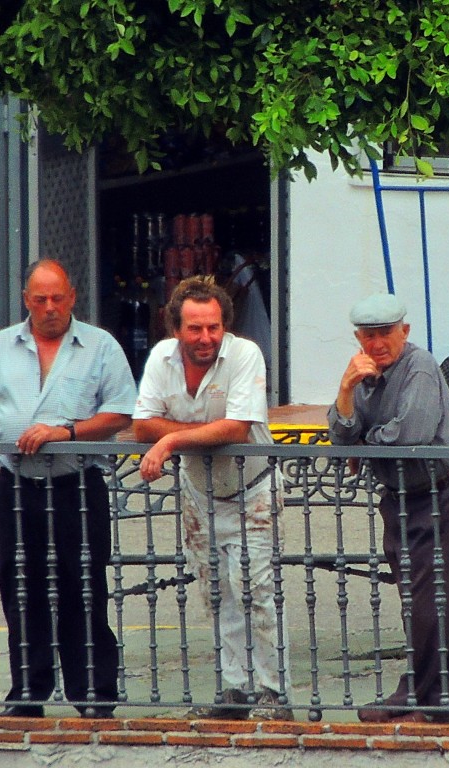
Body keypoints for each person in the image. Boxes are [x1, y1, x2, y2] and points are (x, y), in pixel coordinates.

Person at [0, 259, 136, 718]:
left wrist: (66, 432)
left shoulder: (100, 346)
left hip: (77, 486)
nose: (50, 307)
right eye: (41, 299)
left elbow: (120, 414)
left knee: (85, 589)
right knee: (21, 591)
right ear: (26, 301)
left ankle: (93, 695)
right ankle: (28, 695)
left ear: (73, 297)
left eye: (58, 298)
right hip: (18, 487)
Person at [132, 275, 292, 721]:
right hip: (199, 493)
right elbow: (141, 424)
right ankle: (235, 690)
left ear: (225, 326)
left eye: (213, 327)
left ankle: (273, 694)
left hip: (253, 490)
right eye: (195, 328)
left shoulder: (244, 354)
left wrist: (168, 443)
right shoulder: (161, 359)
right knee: (216, 592)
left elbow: (236, 428)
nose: (205, 337)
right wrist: (185, 438)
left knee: (256, 591)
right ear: (175, 328)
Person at [327, 292, 449, 724]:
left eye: (385, 333)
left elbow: (412, 433)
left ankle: (420, 696)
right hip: (399, 498)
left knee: (430, 603)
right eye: (368, 336)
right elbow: (340, 434)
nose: (377, 343)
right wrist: (346, 388)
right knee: (418, 601)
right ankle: (437, 702)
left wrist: (363, 447)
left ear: (404, 331)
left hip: (435, 494)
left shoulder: (419, 365)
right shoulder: (365, 375)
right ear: (358, 337)